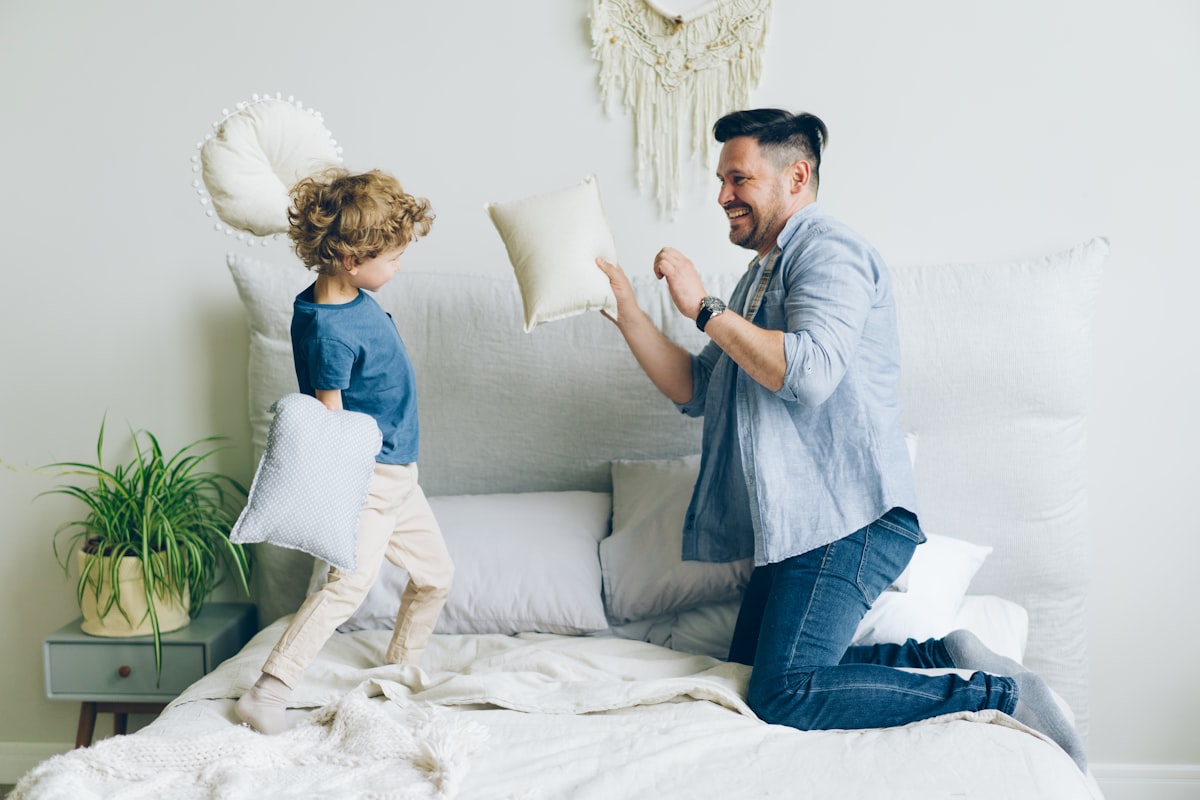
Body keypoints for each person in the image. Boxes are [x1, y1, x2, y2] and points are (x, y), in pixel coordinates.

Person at [595, 109, 1086, 771]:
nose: (721, 196)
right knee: (748, 673)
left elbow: (811, 372)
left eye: (738, 178)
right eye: (720, 180)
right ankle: (935, 659)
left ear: (796, 176)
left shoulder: (830, 250)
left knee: (780, 694)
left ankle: (996, 693)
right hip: (797, 527)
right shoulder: (760, 275)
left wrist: (705, 308)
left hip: (848, 518)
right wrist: (627, 309)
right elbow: (697, 389)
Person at [236, 168, 454, 735]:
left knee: (435, 576)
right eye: (393, 257)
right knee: (348, 588)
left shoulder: (348, 296)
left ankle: (400, 671)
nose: (399, 266)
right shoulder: (327, 330)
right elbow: (327, 424)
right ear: (352, 258)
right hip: (371, 477)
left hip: (401, 470)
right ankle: (270, 688)